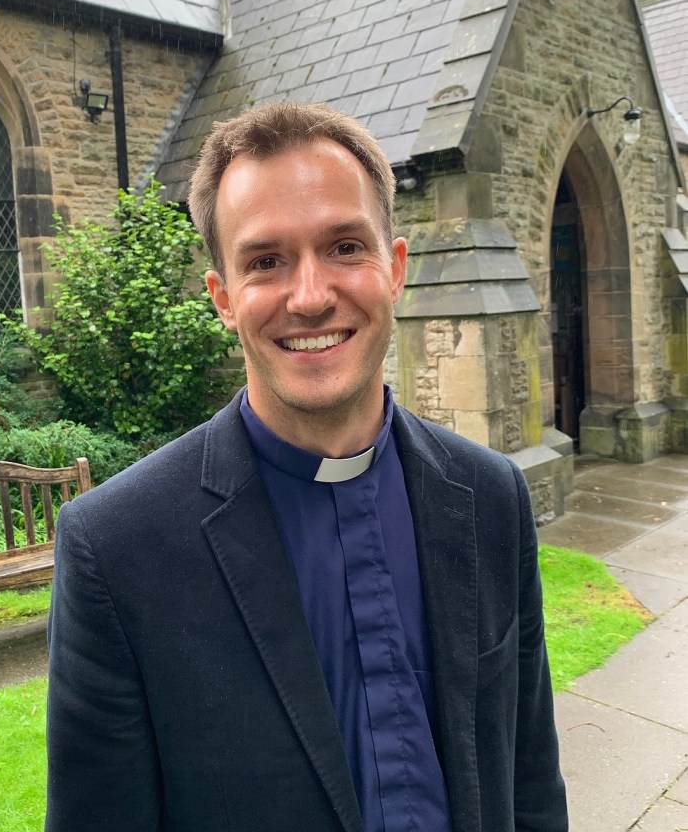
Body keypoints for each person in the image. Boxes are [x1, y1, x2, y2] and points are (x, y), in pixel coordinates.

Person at [46, 102, 568, 832]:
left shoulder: (489, 495)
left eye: (345, 246)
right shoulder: (118, 547)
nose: (311, 296)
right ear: (223, 298)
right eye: (266, 261)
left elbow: (531, 787)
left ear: (396, 269)